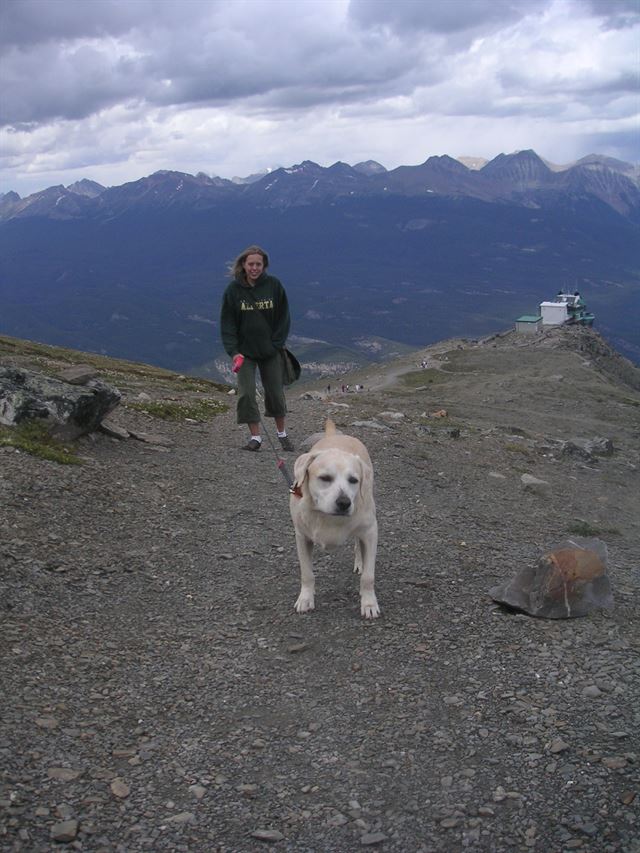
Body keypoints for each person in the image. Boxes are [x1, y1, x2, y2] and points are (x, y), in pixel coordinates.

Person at [220, 245, 294, 452]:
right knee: (246, 394)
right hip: (244, 353)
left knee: (275, 393)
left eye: (258, 264)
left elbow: (283, 318)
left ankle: (282, 434)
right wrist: (233, 352)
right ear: (243, 265)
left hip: (270, 351)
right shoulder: (233, 291)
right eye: (250, 264)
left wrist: (276, 344)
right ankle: (256, 438)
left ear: (264, 266)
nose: (254, 268)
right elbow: (227, 324)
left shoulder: (274, 286)